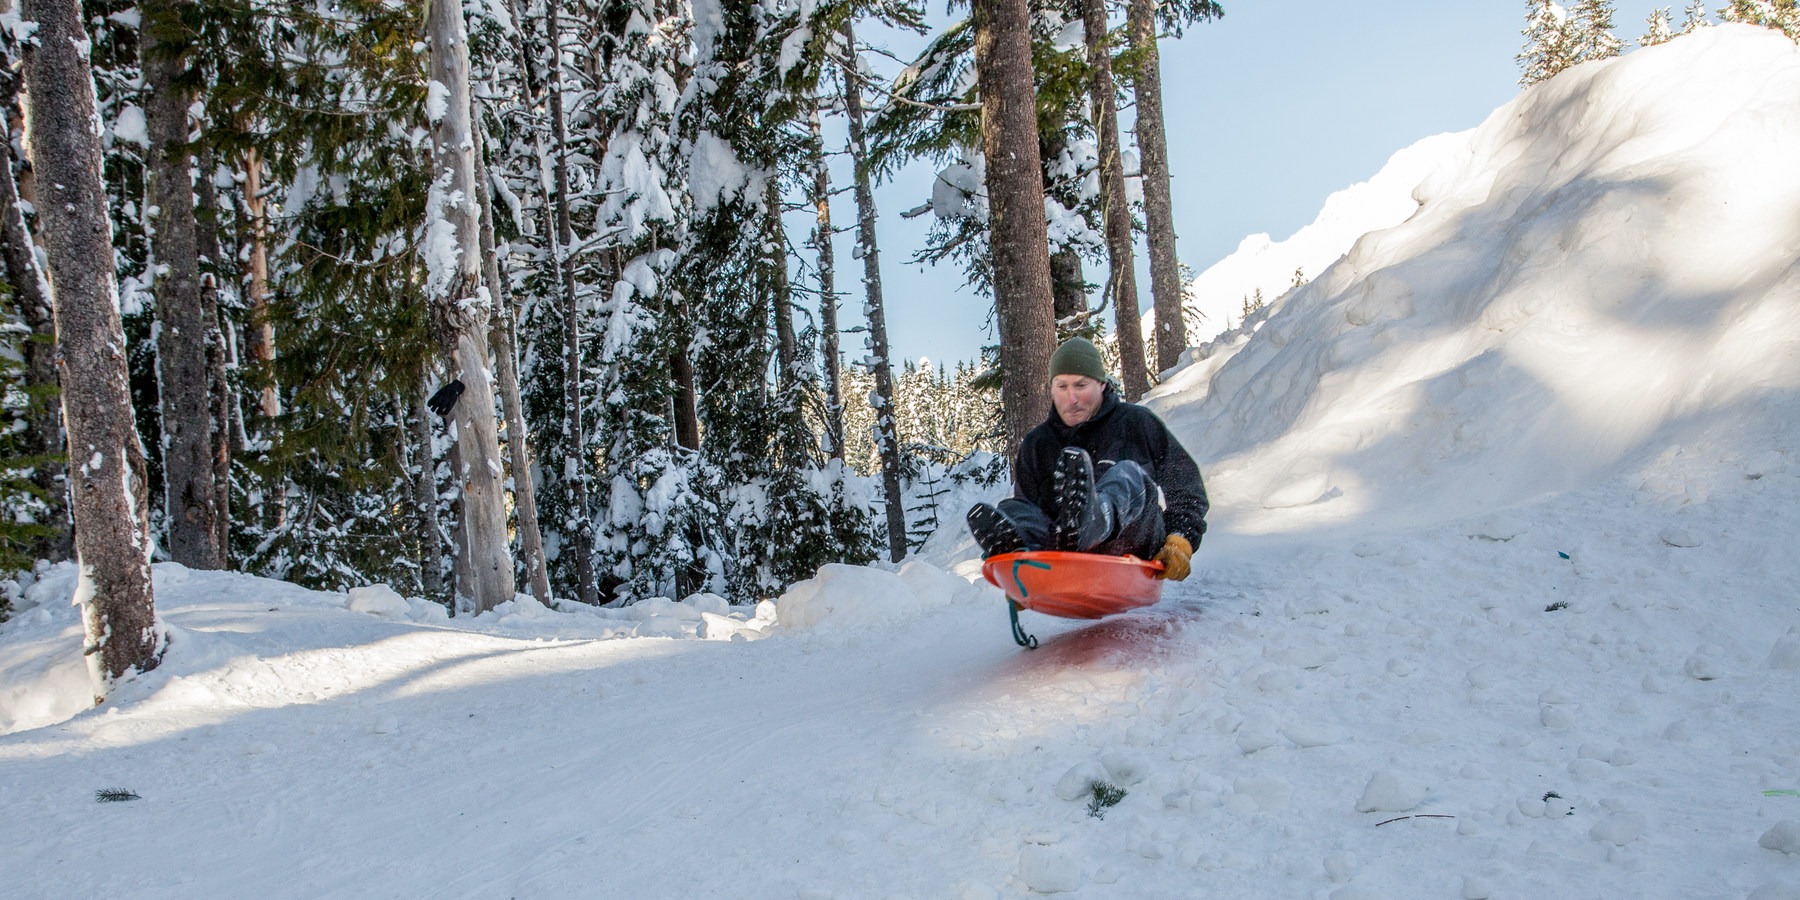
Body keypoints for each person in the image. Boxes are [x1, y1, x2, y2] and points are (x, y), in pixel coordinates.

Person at [966, 336, 1207, 580]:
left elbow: (1187, 488)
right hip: (1068, 556)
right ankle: (1020, 555)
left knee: (1128, 475)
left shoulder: (1137, 423)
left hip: (1134, 547)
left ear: (1101, 384)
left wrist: (1181, 539)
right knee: (1015, 508)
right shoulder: (1037, 444)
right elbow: (1032, 511)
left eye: (1081, 386)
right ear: (1051, 388)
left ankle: (1094, 519)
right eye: (1062, 387)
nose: (1071, 398)